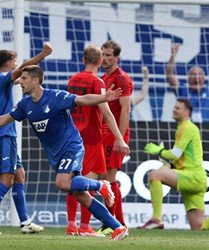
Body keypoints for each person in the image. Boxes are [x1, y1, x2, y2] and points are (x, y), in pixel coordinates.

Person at [0, 65, 129, 241]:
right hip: (55, 155)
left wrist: (104, 98)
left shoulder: (55, 96)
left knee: (63, 183)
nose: (20, 83)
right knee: (80, 194)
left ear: (35, 80)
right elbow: (4, 119)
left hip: (72, 146)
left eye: (24, 79)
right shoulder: (25, 105)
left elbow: (82, 99)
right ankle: (117, 227)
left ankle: (101, 186)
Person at [0, 43, 53, 234]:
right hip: (3, 134)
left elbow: (20, 78)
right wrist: (43, 54)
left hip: (3, 134)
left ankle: (25, 222)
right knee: (7, 180)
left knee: (19, 176)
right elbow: (24, 68)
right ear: (8, 64)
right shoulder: (2, 78)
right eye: (14, 62)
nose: (17, 66)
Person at [139, 98, 209, 230]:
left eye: (178, 108)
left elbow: (175, 154)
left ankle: (156, 218)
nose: (174, 109)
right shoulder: (185, 128)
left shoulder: (187, 127)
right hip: (196, 178)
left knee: (154, 175)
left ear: (186, 112)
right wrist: (171, 165)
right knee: (199, 226)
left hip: (192, 176)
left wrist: (160, 151)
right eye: (174, 107)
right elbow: (181, 157)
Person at [66, 45, 129, 236]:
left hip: (73, 137)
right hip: (92, 138)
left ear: (83, 60)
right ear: (100, 62)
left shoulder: (73, 79)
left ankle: (71, 225)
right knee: (87, 182)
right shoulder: (97, 81)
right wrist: (120, 138)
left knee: (73, 180)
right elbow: (107, 114)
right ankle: (85, 225)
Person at [97, 40, 133, 235]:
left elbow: (125, 109)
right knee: (104, 177)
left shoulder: (122, 78)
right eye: (103, 54)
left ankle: (117, 224)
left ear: (116, 58)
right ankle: (114, 223)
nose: (104, 58)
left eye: (109, 55)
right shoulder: (104, 77)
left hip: (115, 133)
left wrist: (120, 138)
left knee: (110, 177)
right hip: (105, 131)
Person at [166, 43, 209, 123]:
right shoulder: (182, 90)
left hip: (205, 129)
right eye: (193, 75)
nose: (197, 77)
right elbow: (169, 75)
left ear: (204, 79)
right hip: (185, 129)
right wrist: (173, 55)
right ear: (188, 79)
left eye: (200, 74)